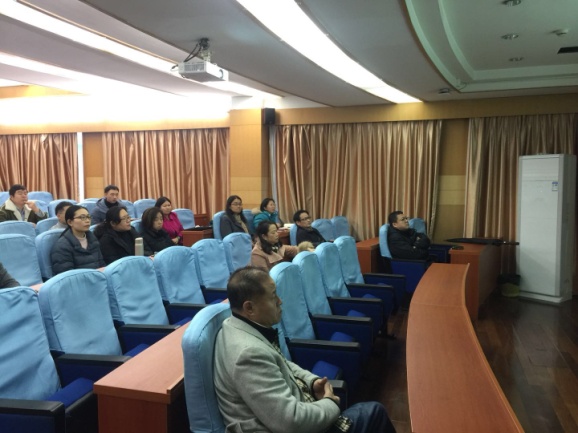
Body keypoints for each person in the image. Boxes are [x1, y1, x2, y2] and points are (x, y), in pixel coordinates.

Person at [214, 266, 396, 433]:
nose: (280, 301)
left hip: (290, 412)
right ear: (249, 307)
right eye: (273, 296)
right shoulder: (248, 354)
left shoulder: (238, 325)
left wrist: (312, 381)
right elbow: (290, 421)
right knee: (374, 412)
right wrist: (331, 403)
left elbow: (282, 362)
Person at [51, 205, 106, 275]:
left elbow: (101, 264)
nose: (87, 220)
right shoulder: (62, 246)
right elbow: (67, 275)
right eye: (82, 217)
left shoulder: (93, 239)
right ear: (70, 222)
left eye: (88, 217)